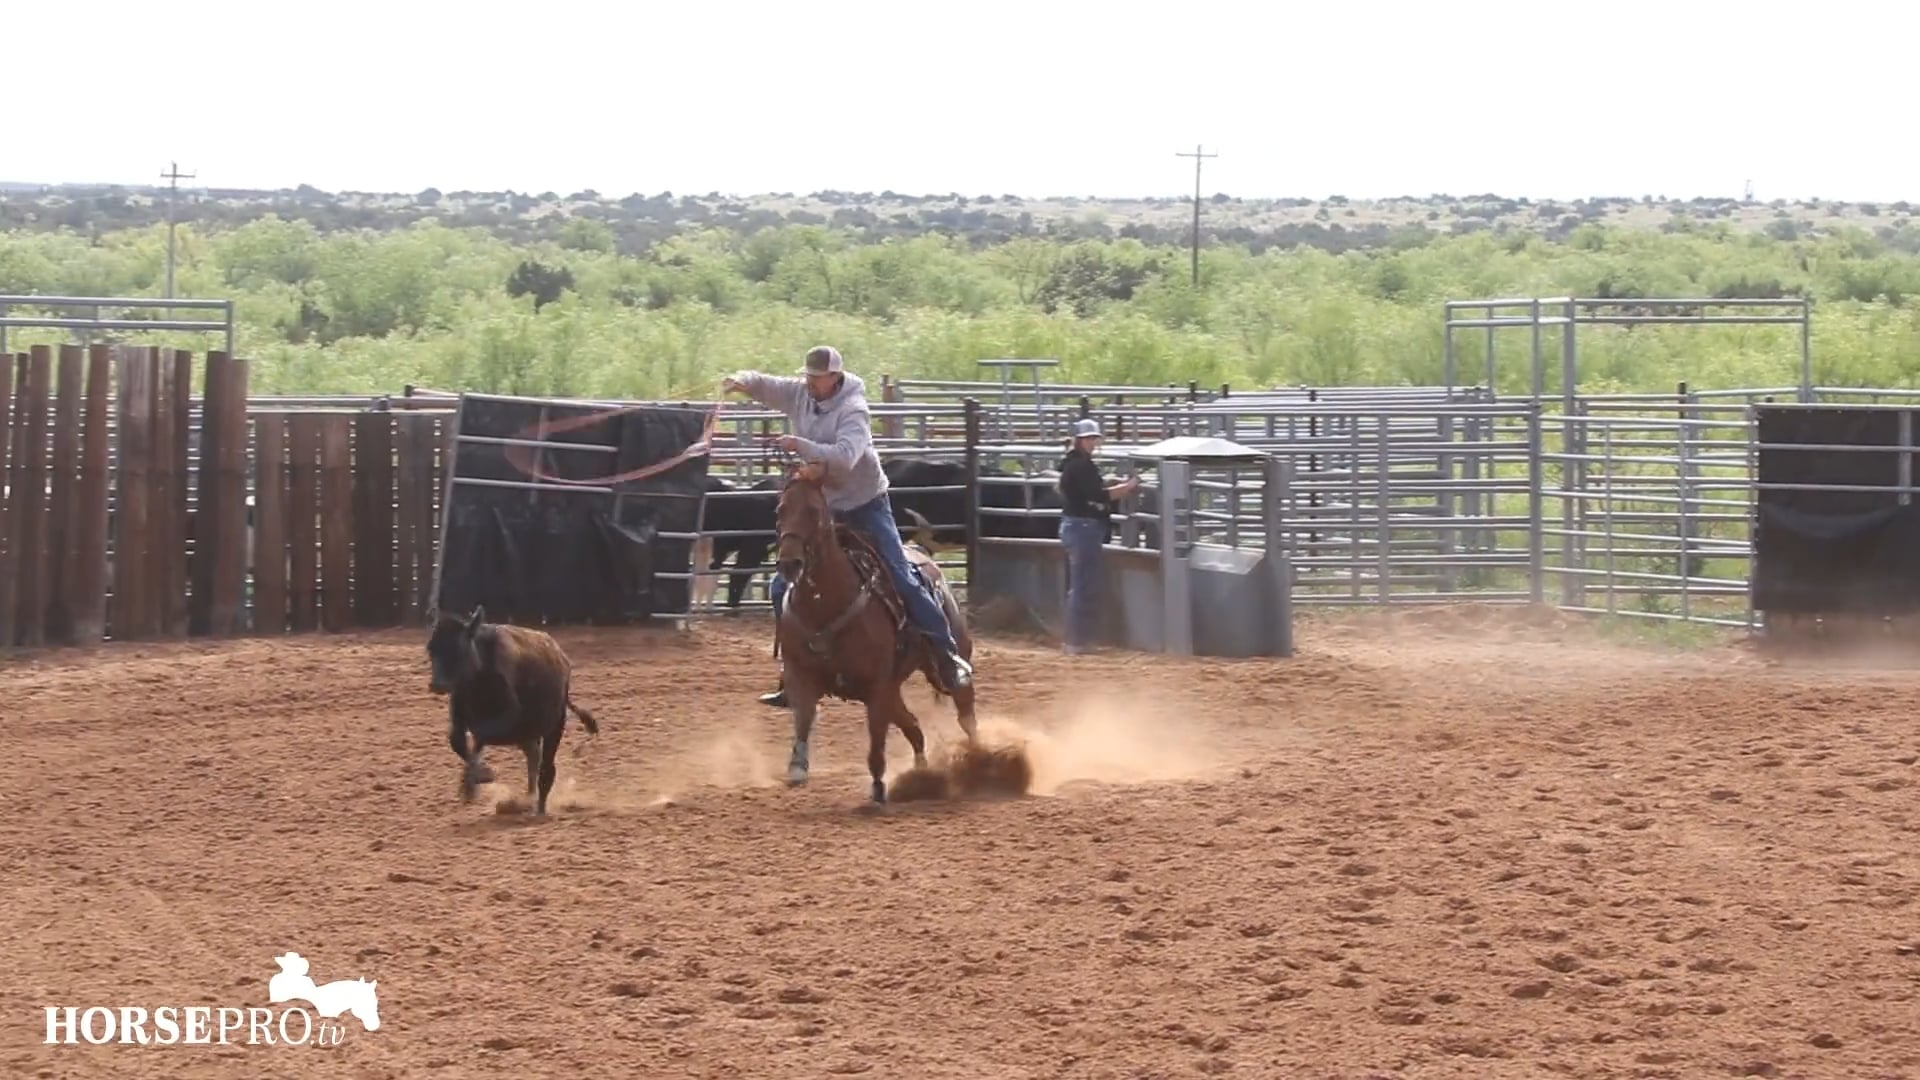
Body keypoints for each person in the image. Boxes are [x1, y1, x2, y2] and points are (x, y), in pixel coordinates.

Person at [723, 345, 974, 707]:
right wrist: (743, 380)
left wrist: (801, 444)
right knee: (783, 585)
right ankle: (793, 670)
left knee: (901, 574)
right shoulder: (801, 393)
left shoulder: (854, 409)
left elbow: (845, 457)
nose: (810, 382)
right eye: (808, 375)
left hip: (867, 504)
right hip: (827, 507)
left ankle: (946, 654)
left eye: (817, 377)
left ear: (834, 378)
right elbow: (768, 386)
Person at [1055, 417, 1137, 654]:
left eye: (1093, 438)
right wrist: (1128, 487)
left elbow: (1087, 490)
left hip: (1077, 526)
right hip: (1084, 528)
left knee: (1081, 584)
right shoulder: (1082, 466)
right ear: (1080, 441)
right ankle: (1077, 641)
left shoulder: (1073, 464)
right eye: (1089, 439)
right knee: (1083, 585)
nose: (1092, 442)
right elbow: (1098, 495)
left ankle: (1078, 640)